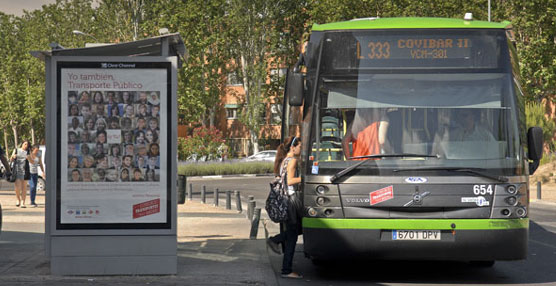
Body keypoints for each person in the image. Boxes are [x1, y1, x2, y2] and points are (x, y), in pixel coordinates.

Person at [267, 136, 303, 279]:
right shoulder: (293, 160)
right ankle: (286, 269)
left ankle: (276, 240)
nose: (301, 148)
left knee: (295, 231)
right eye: (300, 146)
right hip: (291, 202)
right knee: (294, 234)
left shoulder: (284, 161)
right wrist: (305, 178)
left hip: (285, 201)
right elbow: (290, 181)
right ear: (293, 147)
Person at [11, 141, 30, 208]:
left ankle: (23, 202)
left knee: (24, 187)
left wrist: (29, 158)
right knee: (17, 188)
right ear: (22, 144)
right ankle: (18, 199)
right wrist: (13, 157)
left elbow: (32, 161)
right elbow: (11, 160)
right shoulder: (16, 150)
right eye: (25, 144)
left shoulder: (28, 152)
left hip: (25, 171)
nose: (26, 145)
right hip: (17, 170)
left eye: (27, 144)